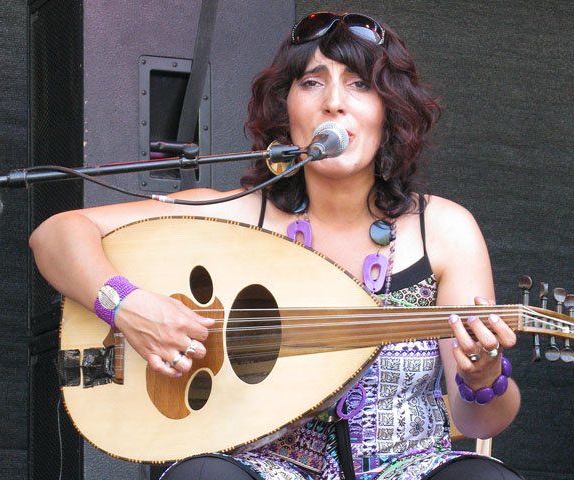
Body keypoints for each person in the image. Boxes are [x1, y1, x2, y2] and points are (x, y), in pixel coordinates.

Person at [29, 11, 523, 480]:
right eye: (312, 82)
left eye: (360, 84)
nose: (334, 101)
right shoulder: (237, 214)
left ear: (389, 112)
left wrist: (482, 376)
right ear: (285, 111)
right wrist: (127, 305)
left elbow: (480, 424)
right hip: (262, 468)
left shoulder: (444, 229)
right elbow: (56, 234)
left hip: (406, 467)